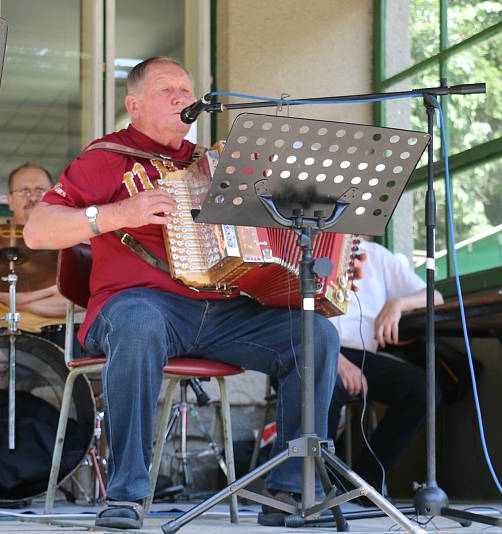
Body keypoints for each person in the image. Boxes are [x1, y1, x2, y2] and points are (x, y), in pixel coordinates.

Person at [24, 56, 348, 529]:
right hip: (138, 304)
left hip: (222, 312)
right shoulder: (105, 159)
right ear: (133, 106)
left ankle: (294, 491)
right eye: (166, 90)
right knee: (138, 325)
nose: (181, 97)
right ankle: (127, 496)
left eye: (186, 89)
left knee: (315, 334)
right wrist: (115, 215)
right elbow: (37, 230)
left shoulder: (217, 165)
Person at [328, 237, 446, 496]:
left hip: (362, 355)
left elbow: (434, 296)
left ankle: (363, 482)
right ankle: (318, 483)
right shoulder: (307, 249)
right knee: (329, 384)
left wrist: (397, 304)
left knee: (422, 389)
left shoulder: (375, 255)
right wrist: (336, 360)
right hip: (315, 352)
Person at [0, 163, 70, 390]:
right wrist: (56, 288)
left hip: (60, 334)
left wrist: (28, 297)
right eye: (24, 191)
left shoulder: (66, 240)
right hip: (2, 333)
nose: (32, 197)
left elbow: (82, 299)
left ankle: (90, 426)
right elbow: (4, 294)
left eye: (39, 191)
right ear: (9, 200)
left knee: (104, 370)